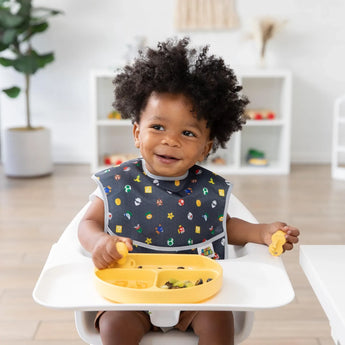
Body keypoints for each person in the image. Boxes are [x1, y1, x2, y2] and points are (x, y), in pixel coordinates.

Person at [78, 37, 300, 345]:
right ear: (136, 134)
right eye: (158, 127)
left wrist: (261, 232)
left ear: (206, 147)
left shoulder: (207, 189)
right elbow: (87, 223)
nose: (171, 140)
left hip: (198, 293)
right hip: (130, 291)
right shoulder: (118, 183)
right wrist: (100, 242)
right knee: (115, 324)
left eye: (187, 132)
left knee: (220, 320)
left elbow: (221, 227)